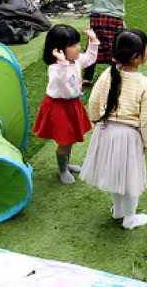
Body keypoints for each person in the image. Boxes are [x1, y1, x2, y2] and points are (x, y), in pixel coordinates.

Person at [81, 29, 147, 230]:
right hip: (129, 135)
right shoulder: (144, 83)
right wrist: (146, 142)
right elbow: (146, 119)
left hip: (105, 130)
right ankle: (129, 218)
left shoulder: (107, 74)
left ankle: (118, 210)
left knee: (115, 173)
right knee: (131, 178)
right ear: (136, 57)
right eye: (146, 48)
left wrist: (97, 121)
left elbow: (94, 102)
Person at [33, 25, 99, 184]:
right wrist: (63, 64)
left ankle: (66, 165)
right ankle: (62, 169)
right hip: (58, 107)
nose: (77, 47)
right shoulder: (55, 67)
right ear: (58, 50)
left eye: (77, 43)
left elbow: (90, 58)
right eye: (72, 45)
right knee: (65, 140)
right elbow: (59, 80)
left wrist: (93, 41)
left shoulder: (75, 60)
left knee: (70, 139)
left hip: (72, 105)